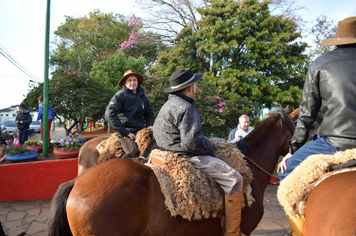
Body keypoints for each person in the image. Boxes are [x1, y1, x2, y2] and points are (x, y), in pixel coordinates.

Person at [277, 16, 356, 236]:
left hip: (334, 143)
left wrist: (292, 150)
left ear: (338, 41)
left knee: (287, 175)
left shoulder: (321, 64)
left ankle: (297, 232)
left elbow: (306, 116)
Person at [153, 68, 244, 236]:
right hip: (186, 157)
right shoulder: (187, 108)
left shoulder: (166, 106)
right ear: (189, 88)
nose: (196, 88)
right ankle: (232, 233)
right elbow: (191, 143)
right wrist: (210, 146)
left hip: (162, 154)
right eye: (195, 85)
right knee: (235, 179)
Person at [105, 70, 155, 158]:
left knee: (157, 147)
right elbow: (109, 114)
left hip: (141, 130)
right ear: (124, 83)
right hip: (127, 131)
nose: (133, 83)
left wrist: (150, 125)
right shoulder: (119, 96)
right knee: (133, 152)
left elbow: (149, 113)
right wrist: (125, 132)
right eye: (129, 80)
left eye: (134, 80)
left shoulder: (142, 97)